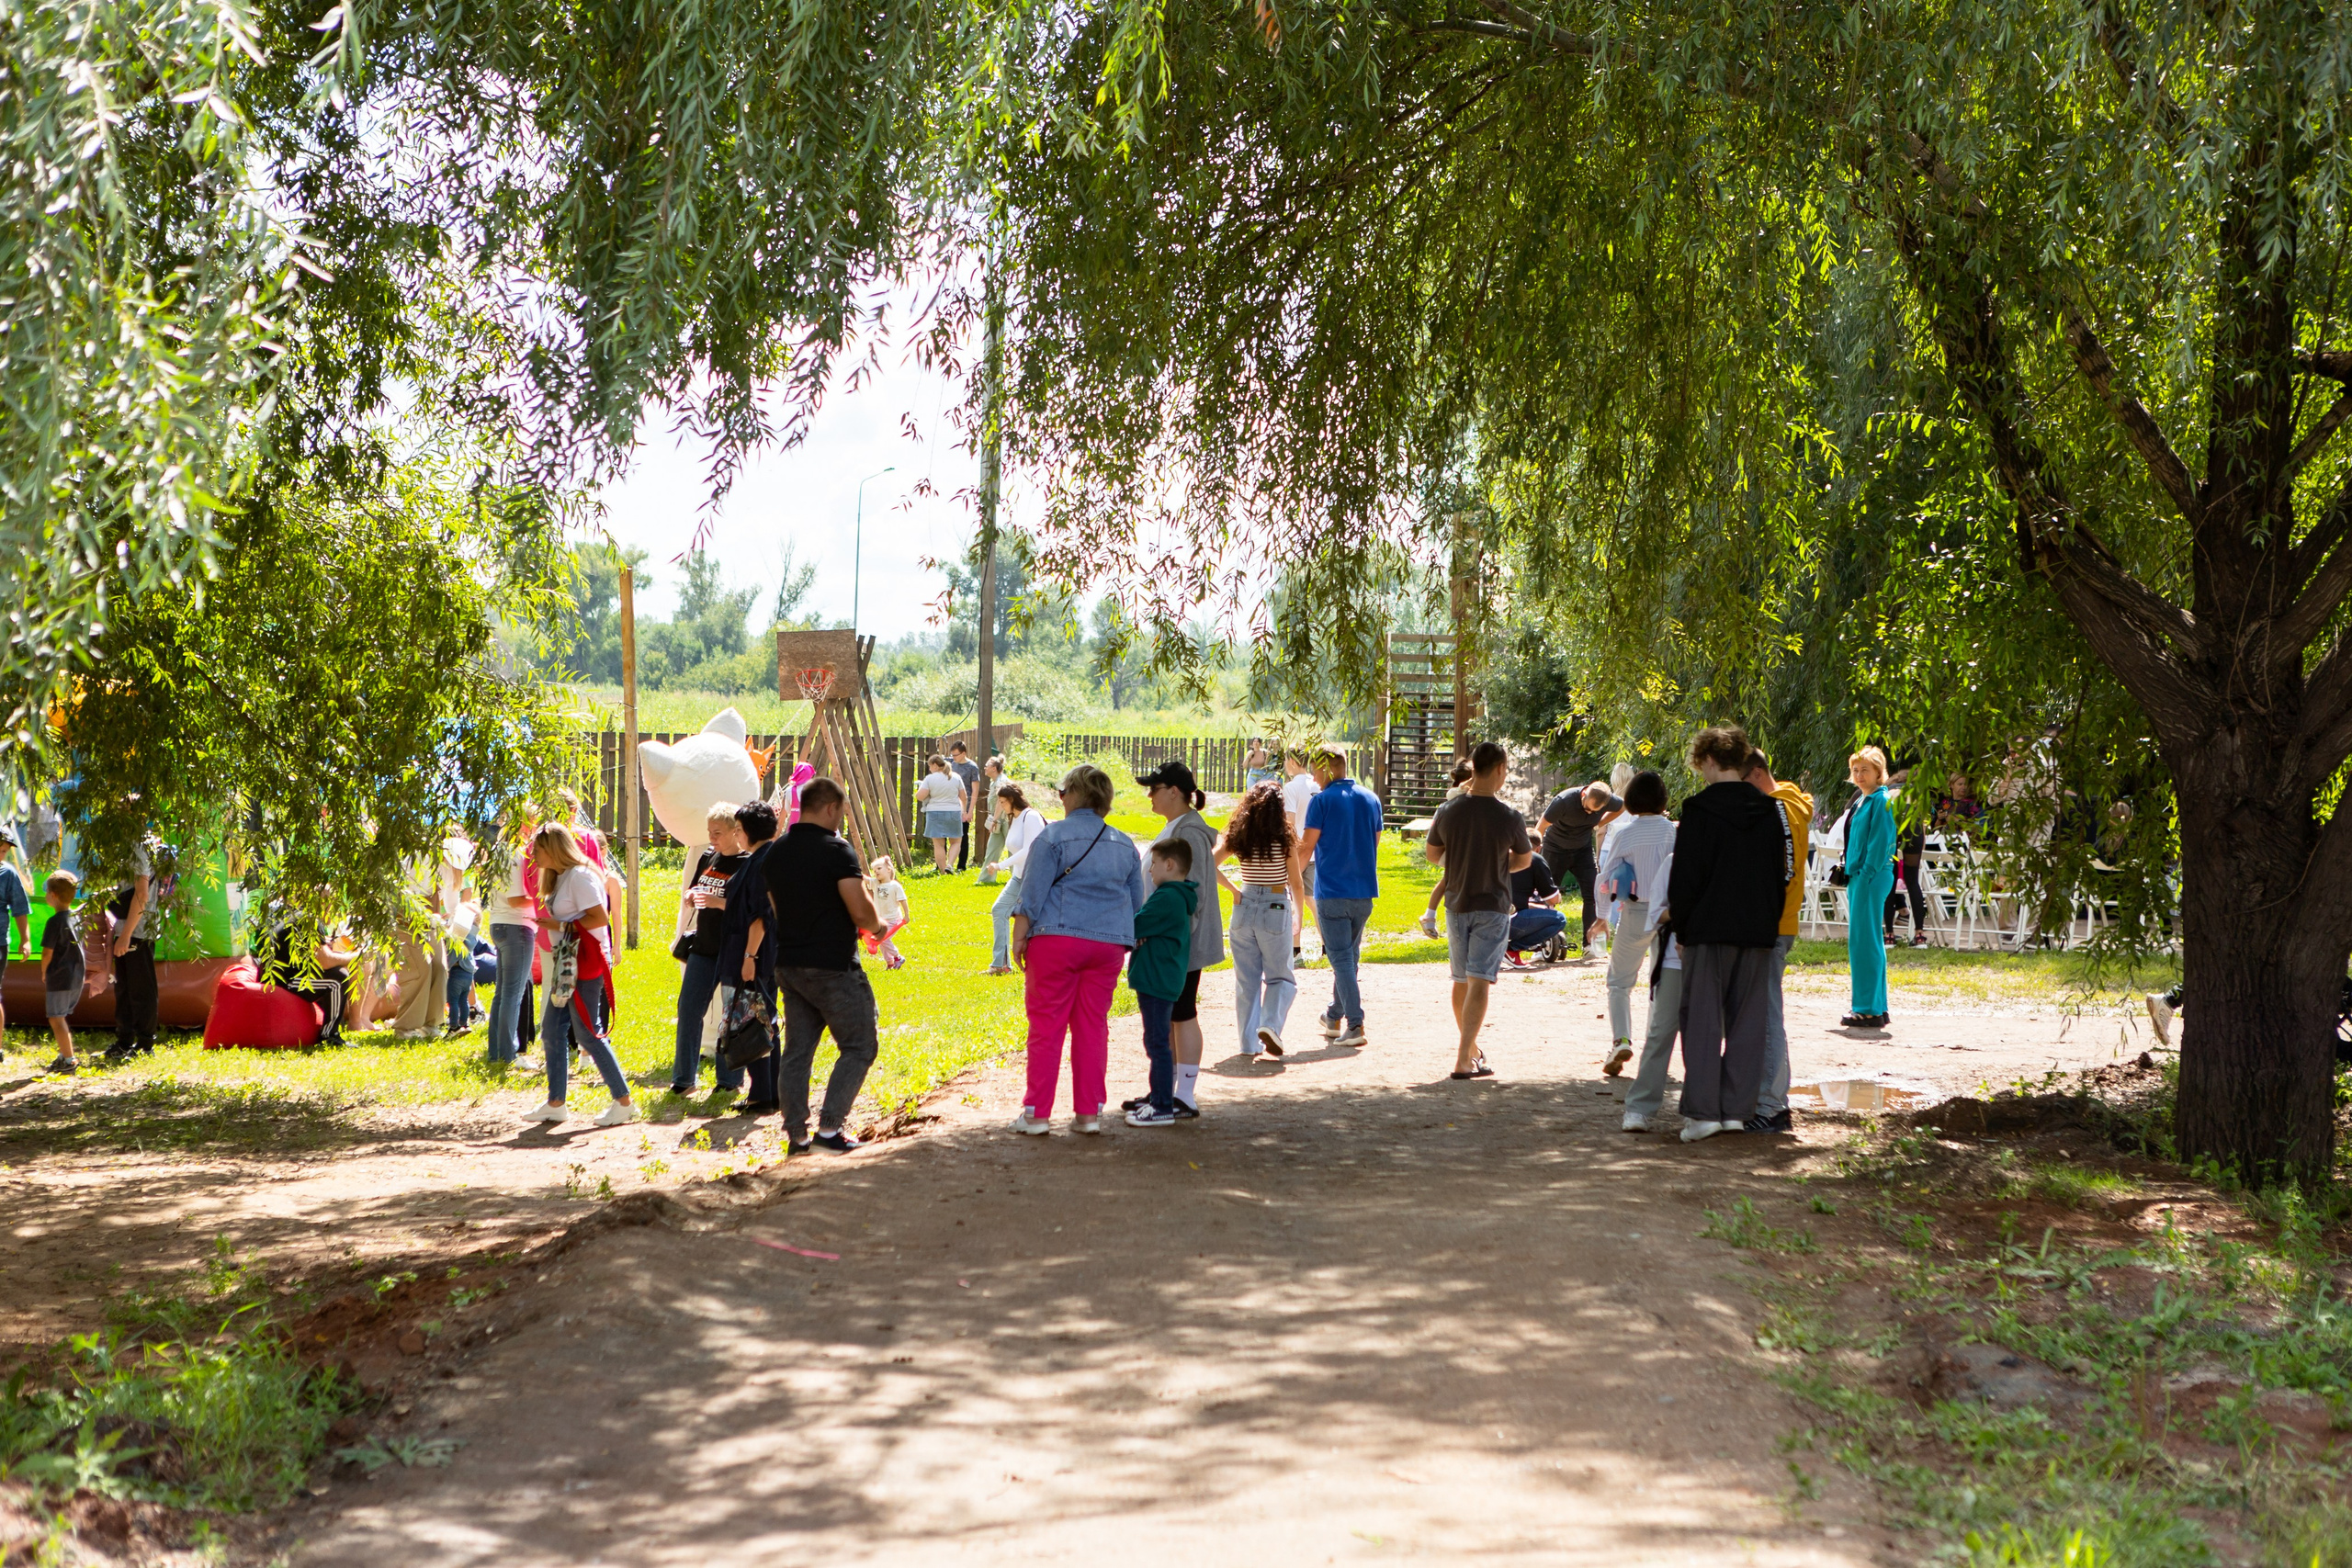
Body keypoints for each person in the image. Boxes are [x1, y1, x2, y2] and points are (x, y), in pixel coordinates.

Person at [1662, 726, 1794, 1143]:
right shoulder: (1771, 810)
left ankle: (1703, 1114)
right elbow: (1781, 876)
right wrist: (1769, 921)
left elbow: (1686, 878)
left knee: (1701, 1020)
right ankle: (1738, 1110)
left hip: (1708, 929)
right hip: (1757, 929)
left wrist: (1681, 926)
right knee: (1747, 1022)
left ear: (1710, 761)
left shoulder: (1698, 810)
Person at [1010, 764, 1149, 1134]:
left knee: (1046, 1027)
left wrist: (1019, 937)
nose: (1061, 797)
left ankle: (1037, 1114)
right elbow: (1137, 902)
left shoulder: (1052, 837)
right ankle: (1088, 1114)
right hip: (1107, 947)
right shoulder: (1124, 844)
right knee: (1092, 1027)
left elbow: (1032, 894)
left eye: (1062, 791)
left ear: (1072, 794)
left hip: (1055, 941)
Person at [761, 778, 888, 1153]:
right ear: (831, 807)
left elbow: (775, 906)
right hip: (832, 965)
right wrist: (879, 927)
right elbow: (860, 907)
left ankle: (797, 1136)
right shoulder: (836, 850)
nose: (841, 819)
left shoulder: (776, 851)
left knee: (798, 1051)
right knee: (860, 1045)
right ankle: (830, 1130)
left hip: (789, 963)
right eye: (842, 812)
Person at [1424, 741, 1532, 1079]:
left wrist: (1459, 862)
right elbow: (1524, 860)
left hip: (1456, 904)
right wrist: (1500, 865)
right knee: (1480, 980)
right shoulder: (1510, 817)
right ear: (1499, 769)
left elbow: (1431, 854)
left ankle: (1470, 1049)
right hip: (1493, 906)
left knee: (1460, 981)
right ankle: (1463, 1056)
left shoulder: (1448, 811)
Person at [521, 822, 636, 1128]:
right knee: (551, 1029)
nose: (534, 854)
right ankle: (556, 1103)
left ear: (554, 848)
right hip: (567, 962)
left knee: (587, 1031)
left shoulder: (581, 876)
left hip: (584, 961)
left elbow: (599, 917)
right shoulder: (560, 877)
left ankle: (623, 1102)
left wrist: (559, 926)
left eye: (539, 848)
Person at [1141, 760, 1223, 1112]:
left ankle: (1184, 1095)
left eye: (1154, 790)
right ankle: (1167, 1090)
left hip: (1180, 942)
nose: (1149, 797)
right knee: (1173, 1014)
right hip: (1172, 940)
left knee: (1183, 1011)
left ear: (1174, 792)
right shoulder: (1180, 826)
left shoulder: (1189, 833)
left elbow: (1196, 894)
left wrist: (1173, 940)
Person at [1744, 749, 1813, 1134]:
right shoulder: (1787, 803)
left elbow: (1783, 872)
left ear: (1755, 774)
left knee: (1768, 1014)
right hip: (1775, 923)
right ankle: (1765, 1100)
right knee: (1763, 1011)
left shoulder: (1779, 810)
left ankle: (1772, 1106)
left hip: (1772, 926)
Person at [1592, 770, 1677, 1074]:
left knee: (1619, 981)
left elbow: (1605, 878)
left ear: (1629, 800)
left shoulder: (1624, 833)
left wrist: (1602, 916)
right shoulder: (1672, 832)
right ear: (1663, 799)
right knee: (1662, 983)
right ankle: (1657, 1056)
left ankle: (1621, 1040)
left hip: (1636, 913)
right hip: (1670, 915)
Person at [1215, 780, 1306, 1058]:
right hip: (1275, 907)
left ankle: (1247, 1043)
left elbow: (1207, 863)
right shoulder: (1284, 839)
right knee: (1281, 977)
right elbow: (1297, 883)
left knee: (1247, 980)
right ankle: (1270, 1025)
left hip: (1243, 906)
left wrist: (1232, 889)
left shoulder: (1238, 836)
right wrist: (1299, 917)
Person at [1299, 745, 1382, 1047]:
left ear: (1327, 768)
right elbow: (1374, 844)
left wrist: (1292, 878)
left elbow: (1306, 847)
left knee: (1342, 960)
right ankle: (1334, 1016)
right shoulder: (1371, 798)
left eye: (1315, 770)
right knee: (1349, 957)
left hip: (1332, 891)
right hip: (1363, 892)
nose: (1312, 776)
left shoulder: (1321, 802)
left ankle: (1356, 1024)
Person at [671, 802, 749, 1096]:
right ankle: (683, 1079)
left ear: (736, 831)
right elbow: (694, 889)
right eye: (709, 832)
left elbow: (751, 911)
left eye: (718, 833)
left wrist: (717, 903)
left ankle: (729, 1082)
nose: (712, 838)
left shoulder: (747, 863)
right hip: (703, 948)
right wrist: (692, 896)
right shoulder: (708, 856)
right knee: (689, 1010)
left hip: (733, 950)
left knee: (732, 1015)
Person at [1123, 840, 1198, 1127]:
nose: (1150, 869)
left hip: (1157, 980)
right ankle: (1158, 1097)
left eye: (1154, 863)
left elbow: (1137, 924)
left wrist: (1139, 932)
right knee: (1157, 1042)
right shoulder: (1175, 895)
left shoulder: (1167, 896)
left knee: (1157, 1044)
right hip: (1160, 979)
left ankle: (1163, 1106)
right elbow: (1143, 926)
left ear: (1169, 865)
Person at [721, 800, 782, 1112]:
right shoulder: (763, 857)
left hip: (755, 953)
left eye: (739, 830)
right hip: (754, 951)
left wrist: (749, 956)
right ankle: (771, 1091)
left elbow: (760, 916)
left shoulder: (762, 862)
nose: (737, 835)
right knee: (764, 1017)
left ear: (748, 831)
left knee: (752, 1019)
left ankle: (762, 1094)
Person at [1619, 877, 1683, 1133]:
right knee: (1661, 1032)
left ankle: (1701, 1110)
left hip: (1714, 957)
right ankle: (1639, 1107)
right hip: (1674, 961)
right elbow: (1656, 915)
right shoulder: (1673, 862)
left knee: (1706, 1036)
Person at [1841, 747, 1896, 1031]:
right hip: (1860, 876)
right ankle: (1875, 1005)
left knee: (1864, 942)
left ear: (1878, 772)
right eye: (1855, 770)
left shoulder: (1881, 800)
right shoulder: (1863, 801)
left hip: (1870, 876)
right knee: (1866, 940)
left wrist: (1865, 874)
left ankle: (1867, 1008)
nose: (1859, 775)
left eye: (1865, 770)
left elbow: (1881, 842)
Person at [1537, 780, 1623, 950]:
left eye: (1594, 812)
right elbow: (1541, 826)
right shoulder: (1564, 801)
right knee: (1546, 897)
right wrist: (1534, 855)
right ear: (1584, 795)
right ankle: (1542, 946)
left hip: (1582, 850)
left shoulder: (1609, 800)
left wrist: (1599, 823)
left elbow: (1622, 807)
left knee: (1593, 893)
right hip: (1555, 849)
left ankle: (1588, 945)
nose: (1589, 813)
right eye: (1587, 808)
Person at [481, 818, 538, 1066]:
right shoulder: (516, 854)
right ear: (523, 824)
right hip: (516, 926)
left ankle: (497, 1051)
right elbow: (516, 899)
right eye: (533, 823)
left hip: (499, 923)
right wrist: (542, 899)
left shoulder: (499, 853)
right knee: (512, 994)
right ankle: (508, 1053)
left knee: (503, 993)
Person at [103, 835, 162, 1063]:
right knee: (124, 988)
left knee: (141, 989)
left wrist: (126, 935)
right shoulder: (126, 845)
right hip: (125, 929)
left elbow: (142, 893)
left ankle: (146, 1044)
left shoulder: (139, 847)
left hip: (138, 931)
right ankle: (124, 1041)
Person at [258, 917, 358, 1046]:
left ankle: (330, 1029)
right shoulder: (311, 920)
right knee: (338, 978)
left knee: (333, 973)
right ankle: (330, 1036)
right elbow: (326, 961)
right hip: (281, 981)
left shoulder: (298, 917)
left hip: (280, 976)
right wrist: (355, 957)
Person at [985, 782, 1047, 975]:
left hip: (1033, 879)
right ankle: (1001, 964)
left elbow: (1029, 849)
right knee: (1000, 910)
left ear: (1012, 800)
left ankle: (1039, 962)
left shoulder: (1031, 817)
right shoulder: (1015, 817)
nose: (1001, 806)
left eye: (1003, 802)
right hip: (1019, 876)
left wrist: (1000, 865)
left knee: (1036, 921)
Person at [1415, 757, 1478, 940]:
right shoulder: (1456, 795)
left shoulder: (1464, 797)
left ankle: (1429, 914)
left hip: (1460, 847)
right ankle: (1429, 914)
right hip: (1457, 849)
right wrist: (1479, 775)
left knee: (1449, 880)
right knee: (1449, 879)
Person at [40, 872, 85, 1075]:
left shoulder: (54, 922)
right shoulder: (75, 917)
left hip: (59, 977)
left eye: (47, 892)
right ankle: (64, 1054)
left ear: (53, 895)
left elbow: (47, 952)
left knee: (56, 1018)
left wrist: (43, 971)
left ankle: (69, 1060)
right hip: (76, 977)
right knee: (62, 1016)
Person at [1280, 749, 1319, 941]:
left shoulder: (1291, 787)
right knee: (1313, 900)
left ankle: (1295, 950)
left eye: (1286, 761)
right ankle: (1326, 946)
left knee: (1295, 899)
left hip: (1296, 852)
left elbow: (1290, 822)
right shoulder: (1317, 784)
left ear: (1293, 762)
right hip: (1315, 850)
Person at [1503, 852, 1566, 970]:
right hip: (1507, 920)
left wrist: (1532, 907)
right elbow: (1552, 899)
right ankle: (1511, 949)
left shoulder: (1488, 854)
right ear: (1538, 847)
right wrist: (1558, 897)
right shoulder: (1533, 858)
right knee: (1559, 919)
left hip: (1475, 918)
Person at [0, 827, 28, 1043]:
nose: (2, 854)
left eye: (4, 851)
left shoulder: (8, 873)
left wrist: (25, 940)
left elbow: (19, 908)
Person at [916, 755, 964, 874]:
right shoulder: (956, 777)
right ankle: (950, 865)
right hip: (953, 811)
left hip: (934, 812)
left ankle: (943, 872)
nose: (930, 769)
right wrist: (965, 811)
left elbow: (920, 796)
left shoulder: (930, 779)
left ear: (935, 765)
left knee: (939, 845)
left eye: (930, 766)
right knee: (956, 842)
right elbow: (963, 797)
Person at [861, 855, 910, 969]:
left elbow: (903, 900)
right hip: (881, 920)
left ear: (888, 869)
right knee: (881, 941)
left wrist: (907, 915)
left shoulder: (895, 886)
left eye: (879, 868)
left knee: (884, 939)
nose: (876, 871)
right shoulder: (876, 884)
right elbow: (865, 879)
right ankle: (890, 963)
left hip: (893, 919)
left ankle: (898, 957)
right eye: (874, 870)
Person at [973, 756, 1011, 885]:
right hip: (998, 820)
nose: (984, 768)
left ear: (994, 768)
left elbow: (1002, 802)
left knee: (1012, 848)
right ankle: (986, 879)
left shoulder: (1002, 781)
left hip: (1006, 820)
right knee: (992, 849)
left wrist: (994, 820)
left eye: (986, 766)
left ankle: (1018, 878)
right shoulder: (994, 782)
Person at [949, 740, 983, 873]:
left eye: (956, 755)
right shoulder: (951, 765)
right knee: (948, 834)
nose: (954, 758)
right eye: (952, 755)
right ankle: (946, 863)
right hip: (951, 805)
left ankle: (961, 865)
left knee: (963, 836)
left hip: (965, 806)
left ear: (963, 753)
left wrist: (970, 811)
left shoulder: (972, 767)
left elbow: (975, 791)